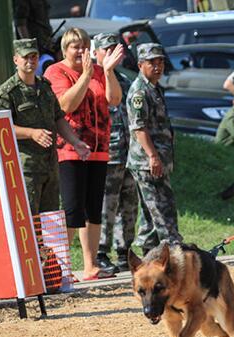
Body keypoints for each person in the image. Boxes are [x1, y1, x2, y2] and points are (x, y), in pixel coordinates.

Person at [0, 38, 94, 277]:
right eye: (25, 57)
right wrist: (31, 133)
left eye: (34, 56)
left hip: (49, 166)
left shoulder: (45, 87)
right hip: (24, 168)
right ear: (15, 59)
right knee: (27, 221)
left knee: (50, 222)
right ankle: (23, 274)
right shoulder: (7, 93)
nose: (30, 61)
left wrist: (76, 142)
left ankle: (50, 273)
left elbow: (58, 119)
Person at [44, 28, 124, 281]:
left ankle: (90, 265)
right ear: (64, 49)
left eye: (84, 46)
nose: (80, 51)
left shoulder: (99, 70)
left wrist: (107, 72)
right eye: (74, 46)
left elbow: (114, 100)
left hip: (98, 150)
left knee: (93, 209)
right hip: (69, 149)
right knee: (72, 209)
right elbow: (65, 105)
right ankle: (62, 268)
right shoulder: (56, 72)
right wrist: (86, 75)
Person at [126, 43, 183, 255]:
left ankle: (148, 252)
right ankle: (175, 248)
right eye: (152, 62)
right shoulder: (139, 91)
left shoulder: (154, 87)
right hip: (146, 162)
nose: (158, 66)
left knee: (150, 214)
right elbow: (139, 128)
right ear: (140, 65)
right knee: (162, 207)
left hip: (156, 160)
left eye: (160, 62)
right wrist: (153, 157)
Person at [92, 33, 139, 273]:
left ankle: (125, 252)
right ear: (96, 53)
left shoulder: (125, 80)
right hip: (106, 154)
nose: (111, 55)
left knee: (129, 204)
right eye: (106, 50)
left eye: (115, 50)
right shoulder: (91, 79)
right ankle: (101, 252)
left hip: (129, 153)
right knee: (105, 206)